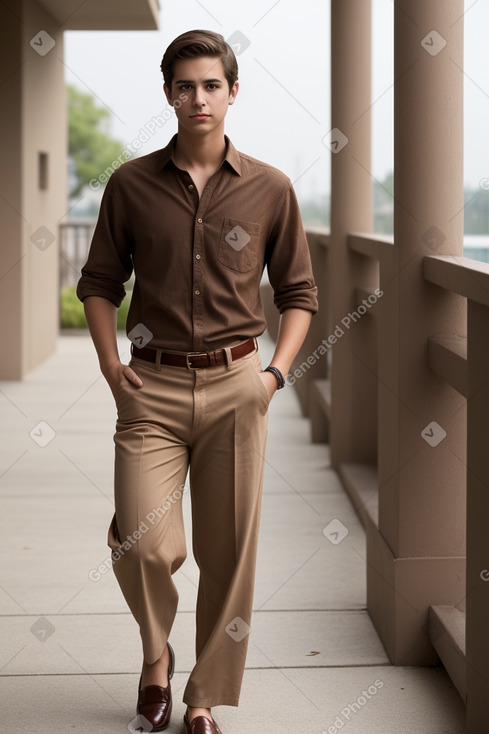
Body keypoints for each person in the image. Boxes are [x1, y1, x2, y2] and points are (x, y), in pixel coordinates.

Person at [77, 29, 318, 734]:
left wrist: (272, 376)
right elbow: (98, 283)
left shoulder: (271, 188)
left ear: (232, 92)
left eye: (211, 84)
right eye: (184, 85)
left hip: (239, 385)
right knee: (145, 542)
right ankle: (156, 655)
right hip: (148, 387)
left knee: (227, 552)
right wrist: (107, 364)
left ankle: (202, 699)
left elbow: (298, 294)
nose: (198, 97)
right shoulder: (131, 184)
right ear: (168, 95)